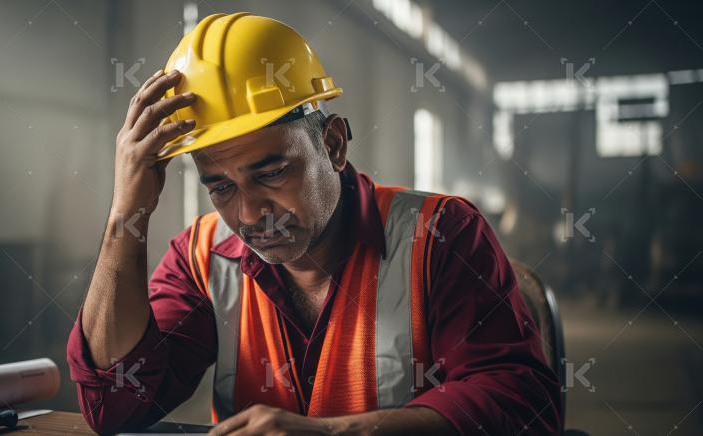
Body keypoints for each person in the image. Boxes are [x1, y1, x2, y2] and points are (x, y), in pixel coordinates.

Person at [66, 13, 560, 435]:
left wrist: (341, 432)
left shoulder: (440, 234)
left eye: (272, 172)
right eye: (221, 187)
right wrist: (125, 214)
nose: (251, 213)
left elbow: (523, 404)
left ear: (334, 144)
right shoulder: (200, 259)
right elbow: (113, 405)